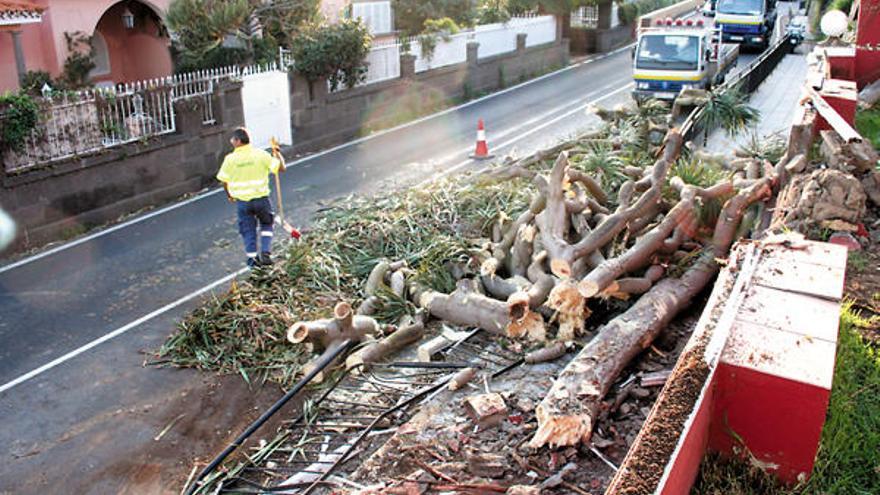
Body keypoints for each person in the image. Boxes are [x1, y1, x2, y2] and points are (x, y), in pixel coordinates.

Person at [216, 128, 286, 268]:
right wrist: (277, 153)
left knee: (248, 231)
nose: (231, 142)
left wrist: (229, 195)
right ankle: (265, 252)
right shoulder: (260, 154)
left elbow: (224, 180)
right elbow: (281, 168)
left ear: (238, 141)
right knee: (266, 224)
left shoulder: (230, 159)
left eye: (232, 139)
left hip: (243, 202)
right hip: (261, 199)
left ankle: (252, 260)